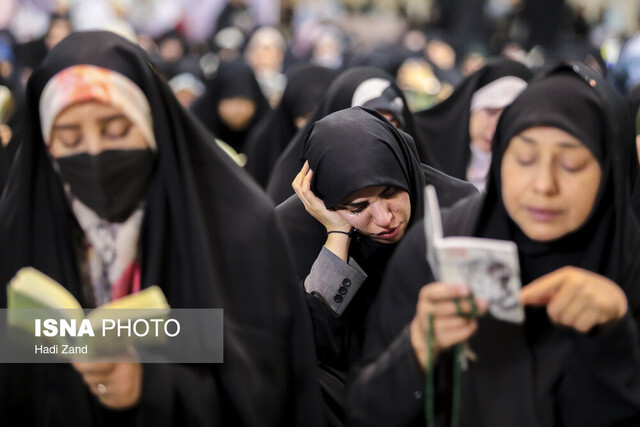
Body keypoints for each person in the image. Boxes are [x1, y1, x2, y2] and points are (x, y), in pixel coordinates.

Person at [0, 31, 322, 427]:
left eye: (116, 129)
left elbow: (268, 378)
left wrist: (152, 383)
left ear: (151, 123)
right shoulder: (23, 226)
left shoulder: (237, 228)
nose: (95, 151)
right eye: (69, 137)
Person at [348, 63, 640, 426]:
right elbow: (364, 410)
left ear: (610, 170)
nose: (543, 186)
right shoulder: (439, 251)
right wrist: (417, 351)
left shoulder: (628, 266)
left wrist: (613, 334)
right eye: (525, 159)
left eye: (571, 164)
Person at [276, 106, 476, 426]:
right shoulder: (294, 228)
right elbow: (312, 345)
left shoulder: (457, 205)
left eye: (391, 192)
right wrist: (337, 235)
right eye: (357, 207)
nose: (385, 219)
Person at [268, 66, 431, 205]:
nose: (387, 135)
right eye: (373, 124)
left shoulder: (429, 186)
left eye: (394, 123)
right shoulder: (298, 195)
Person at [414, 59, 532, 191]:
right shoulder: (421, 144)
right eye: (490, 112)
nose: (494, 129)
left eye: (509, 118)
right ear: (471, 108)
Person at [244, 63, 335, 188]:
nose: (308, 126)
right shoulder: (263, 143)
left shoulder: (347, 144)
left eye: (318, 116)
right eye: (304, 116)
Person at [191, 57, 270, 154]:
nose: (238, 110)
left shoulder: (267, 127)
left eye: (244, 101)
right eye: (231, 101)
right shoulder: (198, 124)